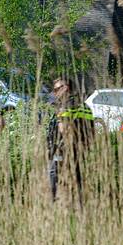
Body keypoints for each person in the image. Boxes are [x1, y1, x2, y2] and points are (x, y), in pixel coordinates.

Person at [46, 76, 95, 204]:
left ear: (66, 88)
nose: (54, 92)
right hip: (81, 149)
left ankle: (53, 203)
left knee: (53, 175)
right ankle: (79, 205)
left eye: (57, 89)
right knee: (77, 177)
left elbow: (64, 130)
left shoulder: (65, 107)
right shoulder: (84, 106)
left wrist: (63, 151)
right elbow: (91, 131)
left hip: (63, 149)